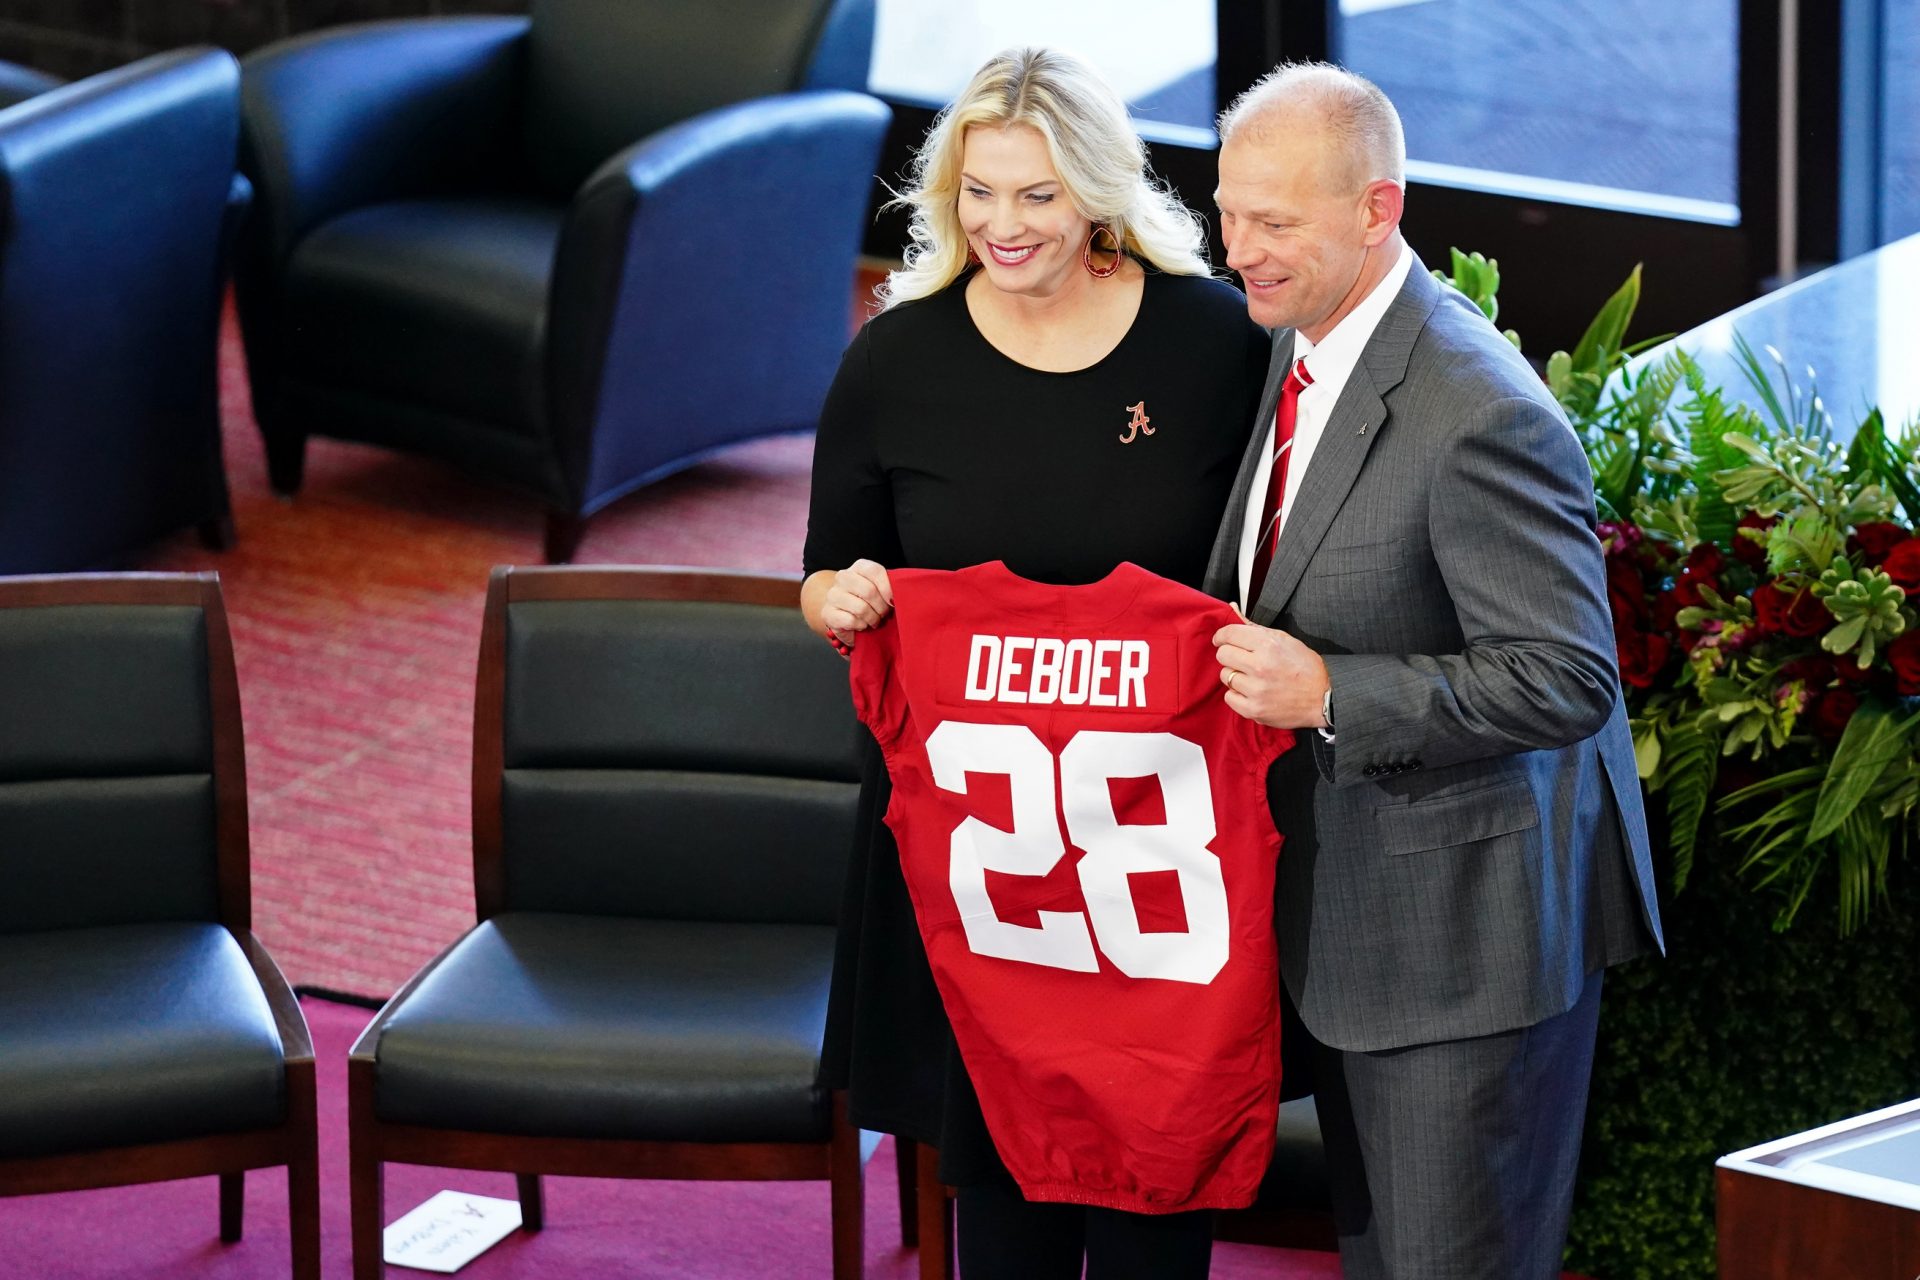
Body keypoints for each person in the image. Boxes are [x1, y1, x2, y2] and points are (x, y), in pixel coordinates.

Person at [800, 47, 1270, 1280]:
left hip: (1163, 879)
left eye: (1038, 195)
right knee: (1000, 1208)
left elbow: (1277, 560)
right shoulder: (895, 357)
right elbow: (825, 568)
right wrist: (841, 599)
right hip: (983, 872)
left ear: (1100, 192)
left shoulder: (1212, 342)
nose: (1004, 226)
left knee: (1154, 1212)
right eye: (978, 192)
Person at [1204, 63, 1665, 1279]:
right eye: (1228, 212)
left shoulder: (1479, 410)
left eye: (1275, 223)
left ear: (1377, 208)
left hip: (1464, 955)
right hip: (1354, 927)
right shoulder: (1307, 334)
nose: (1240, 249)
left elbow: (1569, 678)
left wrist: (1334, 695)